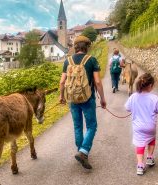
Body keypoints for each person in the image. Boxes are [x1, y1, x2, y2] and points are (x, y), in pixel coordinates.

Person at [59, 35, 107, 169]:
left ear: (75, 47)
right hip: (88, 98)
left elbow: (62, 81)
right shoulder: (91, 60)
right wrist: (103, 99)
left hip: (72, 99)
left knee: (77, 126)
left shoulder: (67, 61)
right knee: (92, 126)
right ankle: (84, 151)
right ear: (86, 47)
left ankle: (81, 151)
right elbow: (97, 81)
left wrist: (61, 96)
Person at [124, 73, 158, 175]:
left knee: (140, 143)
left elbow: (127, 108)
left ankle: (140, 165)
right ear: (150, 86)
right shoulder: (154, 98)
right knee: (151, 139)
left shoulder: (133, 97)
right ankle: (150, 157)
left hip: (138, 127)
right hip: (150, 126)